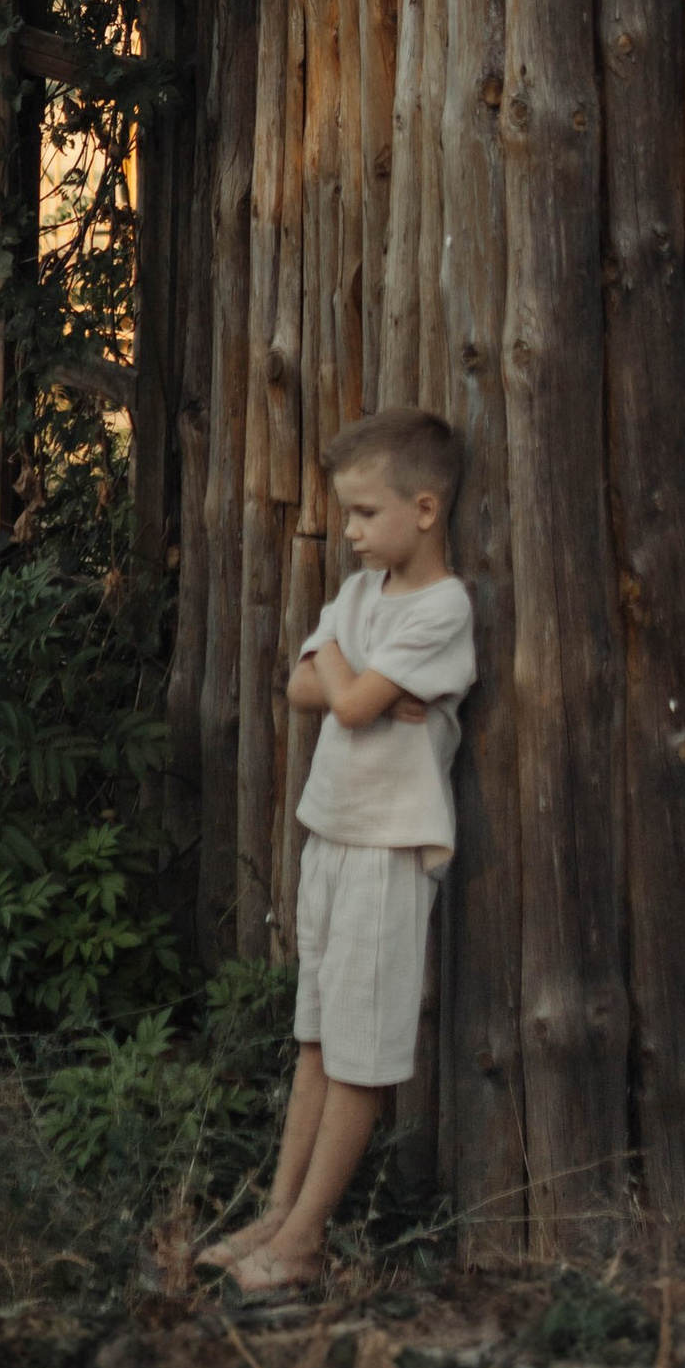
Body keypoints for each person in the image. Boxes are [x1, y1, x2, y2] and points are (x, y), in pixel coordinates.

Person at [203, 405, 475, 1300]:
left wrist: (348, 681)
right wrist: (358, 682)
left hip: (391, 850)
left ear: (425, 511)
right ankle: (276, 1220)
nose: (349, 531)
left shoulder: (442, 607)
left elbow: (342, 702)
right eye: (348, 514)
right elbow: (300, 686)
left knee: (360, 1051)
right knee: (316, 1040)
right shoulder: (362, 597)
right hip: (332, 835)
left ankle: (308, 1240)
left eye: (365, 513)